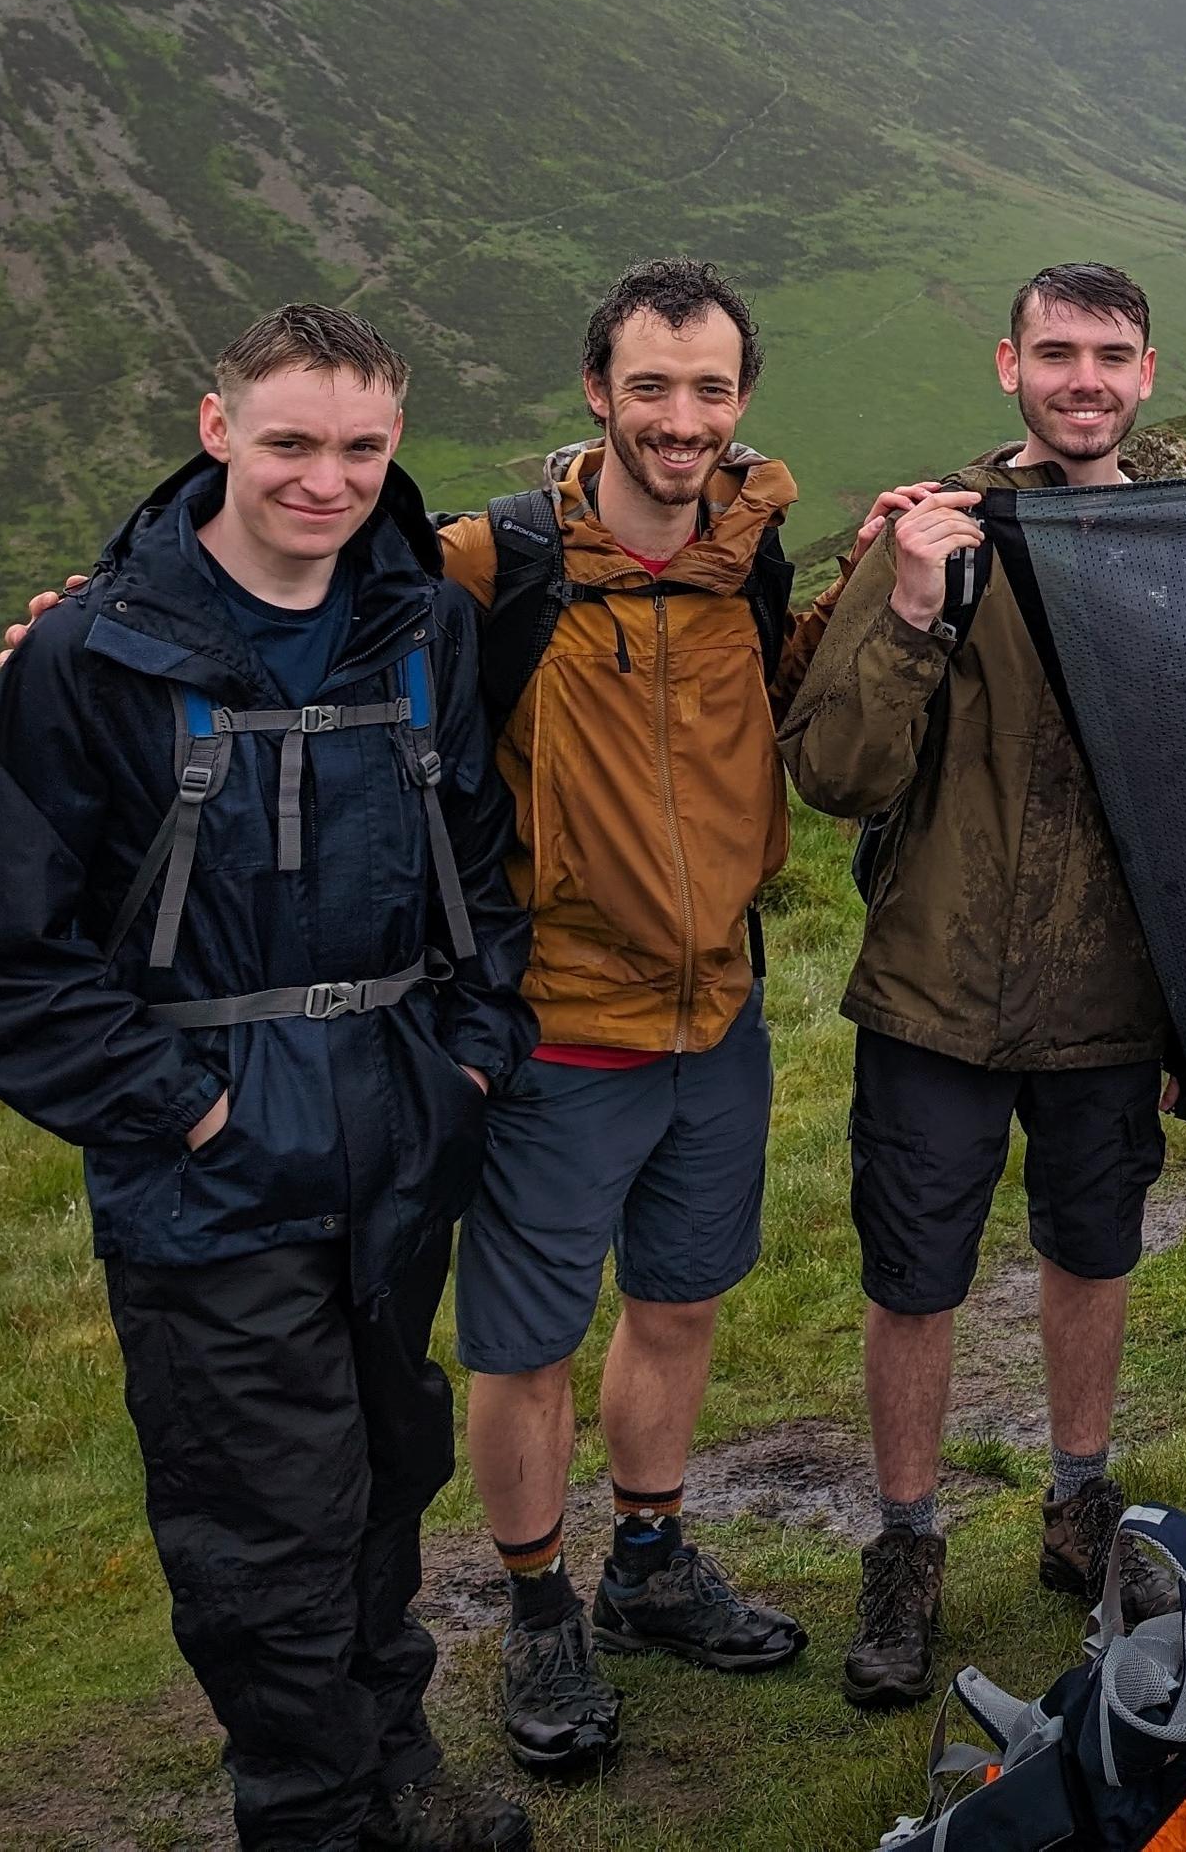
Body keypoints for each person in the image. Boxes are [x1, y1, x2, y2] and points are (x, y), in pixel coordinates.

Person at [0, 305, 539, 1852]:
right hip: (206, 1165)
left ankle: (397, 1775)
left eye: (361, 447)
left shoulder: (422, 626)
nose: (325, 479)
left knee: (391, 1467)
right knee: (265, 1524)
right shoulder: (92, 652)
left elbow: (478, 853)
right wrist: (188, 1106)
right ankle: (313, 1816)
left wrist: (472, 1048)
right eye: (289, 441)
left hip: (403, 1127)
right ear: (217, 428)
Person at [779, 263, 1179, 1709]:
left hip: (1109, 991)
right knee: (915, 1272)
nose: (1085, 377)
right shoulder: (930, 531)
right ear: (1007, 363)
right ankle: (904, 1542)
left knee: (1095, 1246)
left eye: (1112, 353)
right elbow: (833, 772)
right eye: (1057, 351)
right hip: (937, 988)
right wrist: (905, 608)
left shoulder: (1175, 542)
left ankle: (1081, 1500)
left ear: (1148, 372)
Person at [429, 263, 812, 1774]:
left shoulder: (754, 553)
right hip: (555, 1027)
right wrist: (81, 627)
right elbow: (291, 584)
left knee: (677, 1298)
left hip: (717, 1015)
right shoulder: (493, 564)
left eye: (710, 390)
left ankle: (648, 1564)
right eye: (651, 386)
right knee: (522, 1344)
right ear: (596, 390)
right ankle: (536, 1603)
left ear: (740, 401)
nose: (681, 419)